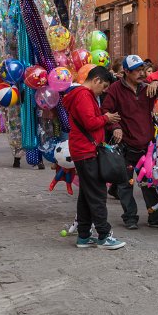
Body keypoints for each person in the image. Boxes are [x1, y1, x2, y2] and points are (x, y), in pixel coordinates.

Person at [102, 55, 158, 230]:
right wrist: (115, 126)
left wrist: (156, 83)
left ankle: (155, 216)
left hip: (146, 146)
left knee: (149, 183)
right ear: (126, 71)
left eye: (142, 70)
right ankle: (130, 217)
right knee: (126, 184)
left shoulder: (147, 87)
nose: (141, 74)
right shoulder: (115, 90)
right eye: (137, 71)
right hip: (126, 144)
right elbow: (106, 111)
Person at [62, 66, 126, 249]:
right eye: (104, 86)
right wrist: (106, 118)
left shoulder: (84, 95)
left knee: (86, 194)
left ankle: (83, 235)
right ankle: (104, 235)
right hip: (86, 151)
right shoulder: (83, 95)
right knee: (97, 194)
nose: (104, 90)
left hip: (84, 150)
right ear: (96, 80)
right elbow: (90, 122)